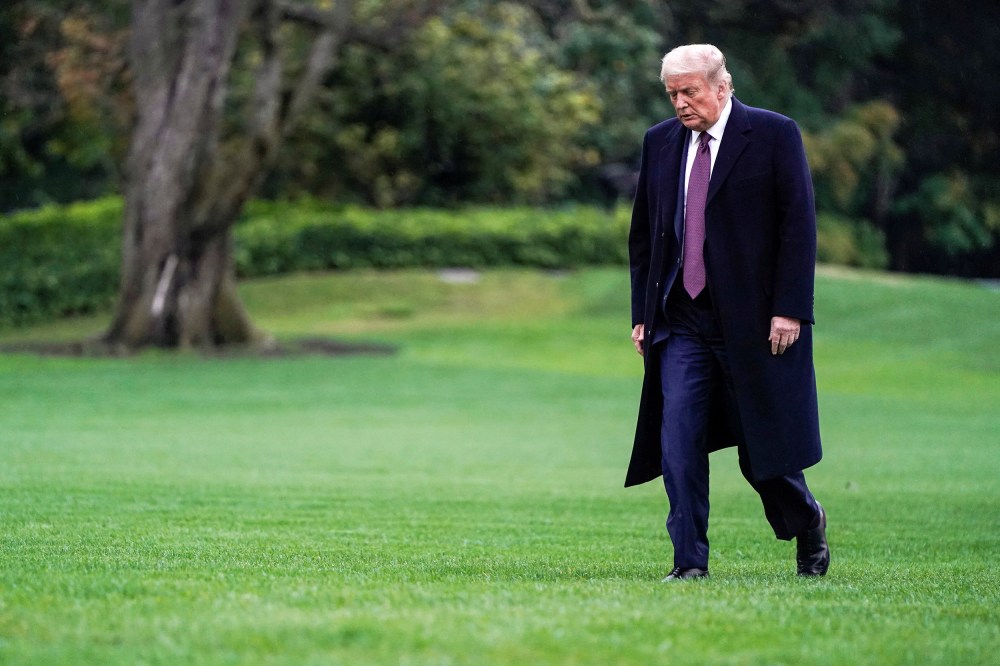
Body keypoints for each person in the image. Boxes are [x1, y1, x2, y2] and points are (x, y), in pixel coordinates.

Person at [625, 43, 829, 581]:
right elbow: (644, 235)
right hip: (682, 320)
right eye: (672, 94)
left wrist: (789, 309)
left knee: (765, 454)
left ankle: (807, 520)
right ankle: (689, 563)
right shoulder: (661, 143)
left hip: (755, 324)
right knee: (679, 441)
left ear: (722, 86)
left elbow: (798, 227)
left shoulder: (773, 134)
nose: (680, 104)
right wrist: (643, 311)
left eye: (689, 91)